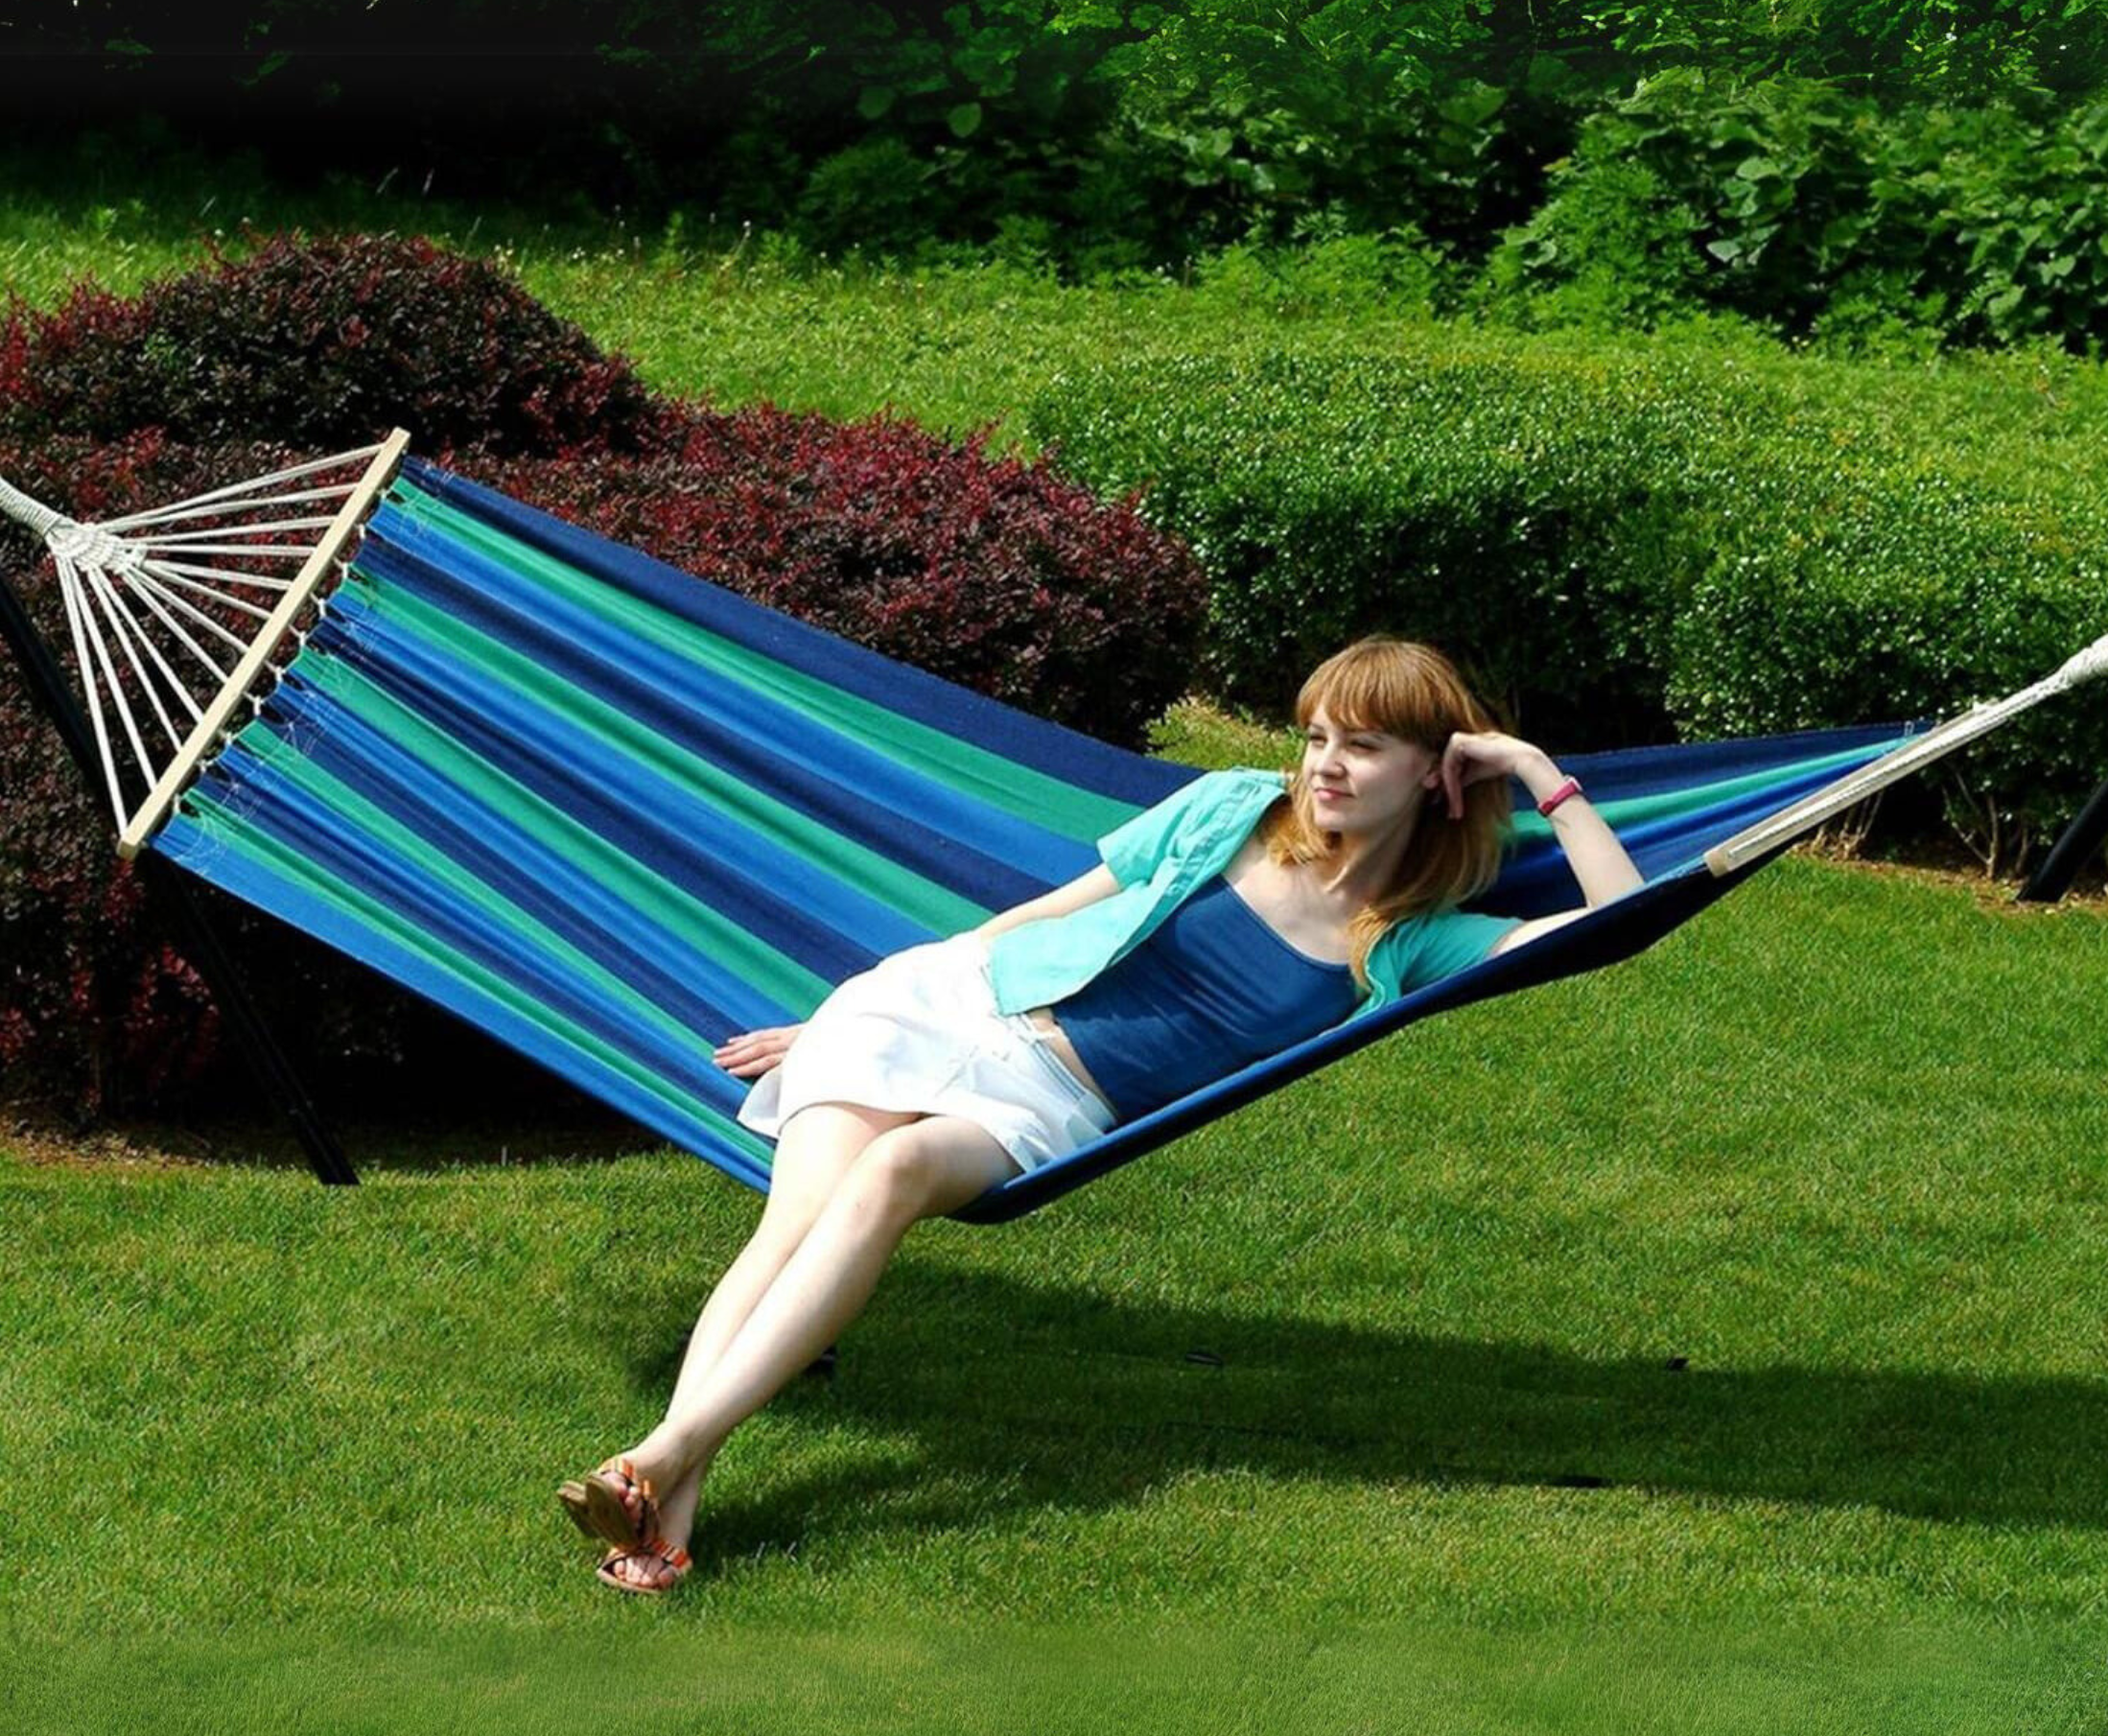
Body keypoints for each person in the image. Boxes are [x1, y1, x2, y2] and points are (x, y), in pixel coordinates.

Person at [557, 637, 1643, 1592]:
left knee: (888, 1178)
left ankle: (660, 1460)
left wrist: (1537, 772)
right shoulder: (1230, 804)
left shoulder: (1405, 939)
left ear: (1432, 771)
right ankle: (664, 1489)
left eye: (1361, 746)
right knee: (785, 1227)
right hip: (942, 1006)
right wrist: (837, 1018)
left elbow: (1619, 922)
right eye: (1316, 735)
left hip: (1051, 1100)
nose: (1324, 764)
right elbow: (1050, 912)